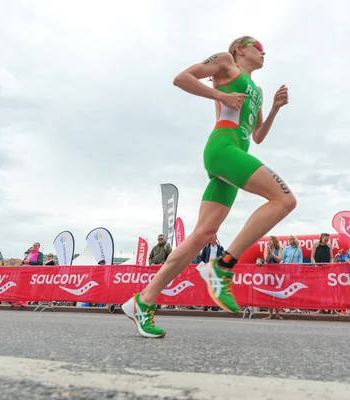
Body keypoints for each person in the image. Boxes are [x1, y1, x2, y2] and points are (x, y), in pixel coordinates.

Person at [121, 36, 295, 338]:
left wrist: (276, 109)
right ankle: (223, 267)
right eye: (258, 46)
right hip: (222, 148)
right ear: (240, 49)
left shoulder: (259, 91)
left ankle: (142, 300)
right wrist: (222, 97)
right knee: (284, 200)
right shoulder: (226, 64)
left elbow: (258, 137)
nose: (264, 51)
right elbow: (181, 78)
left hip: (237, 152)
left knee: (202, 235)